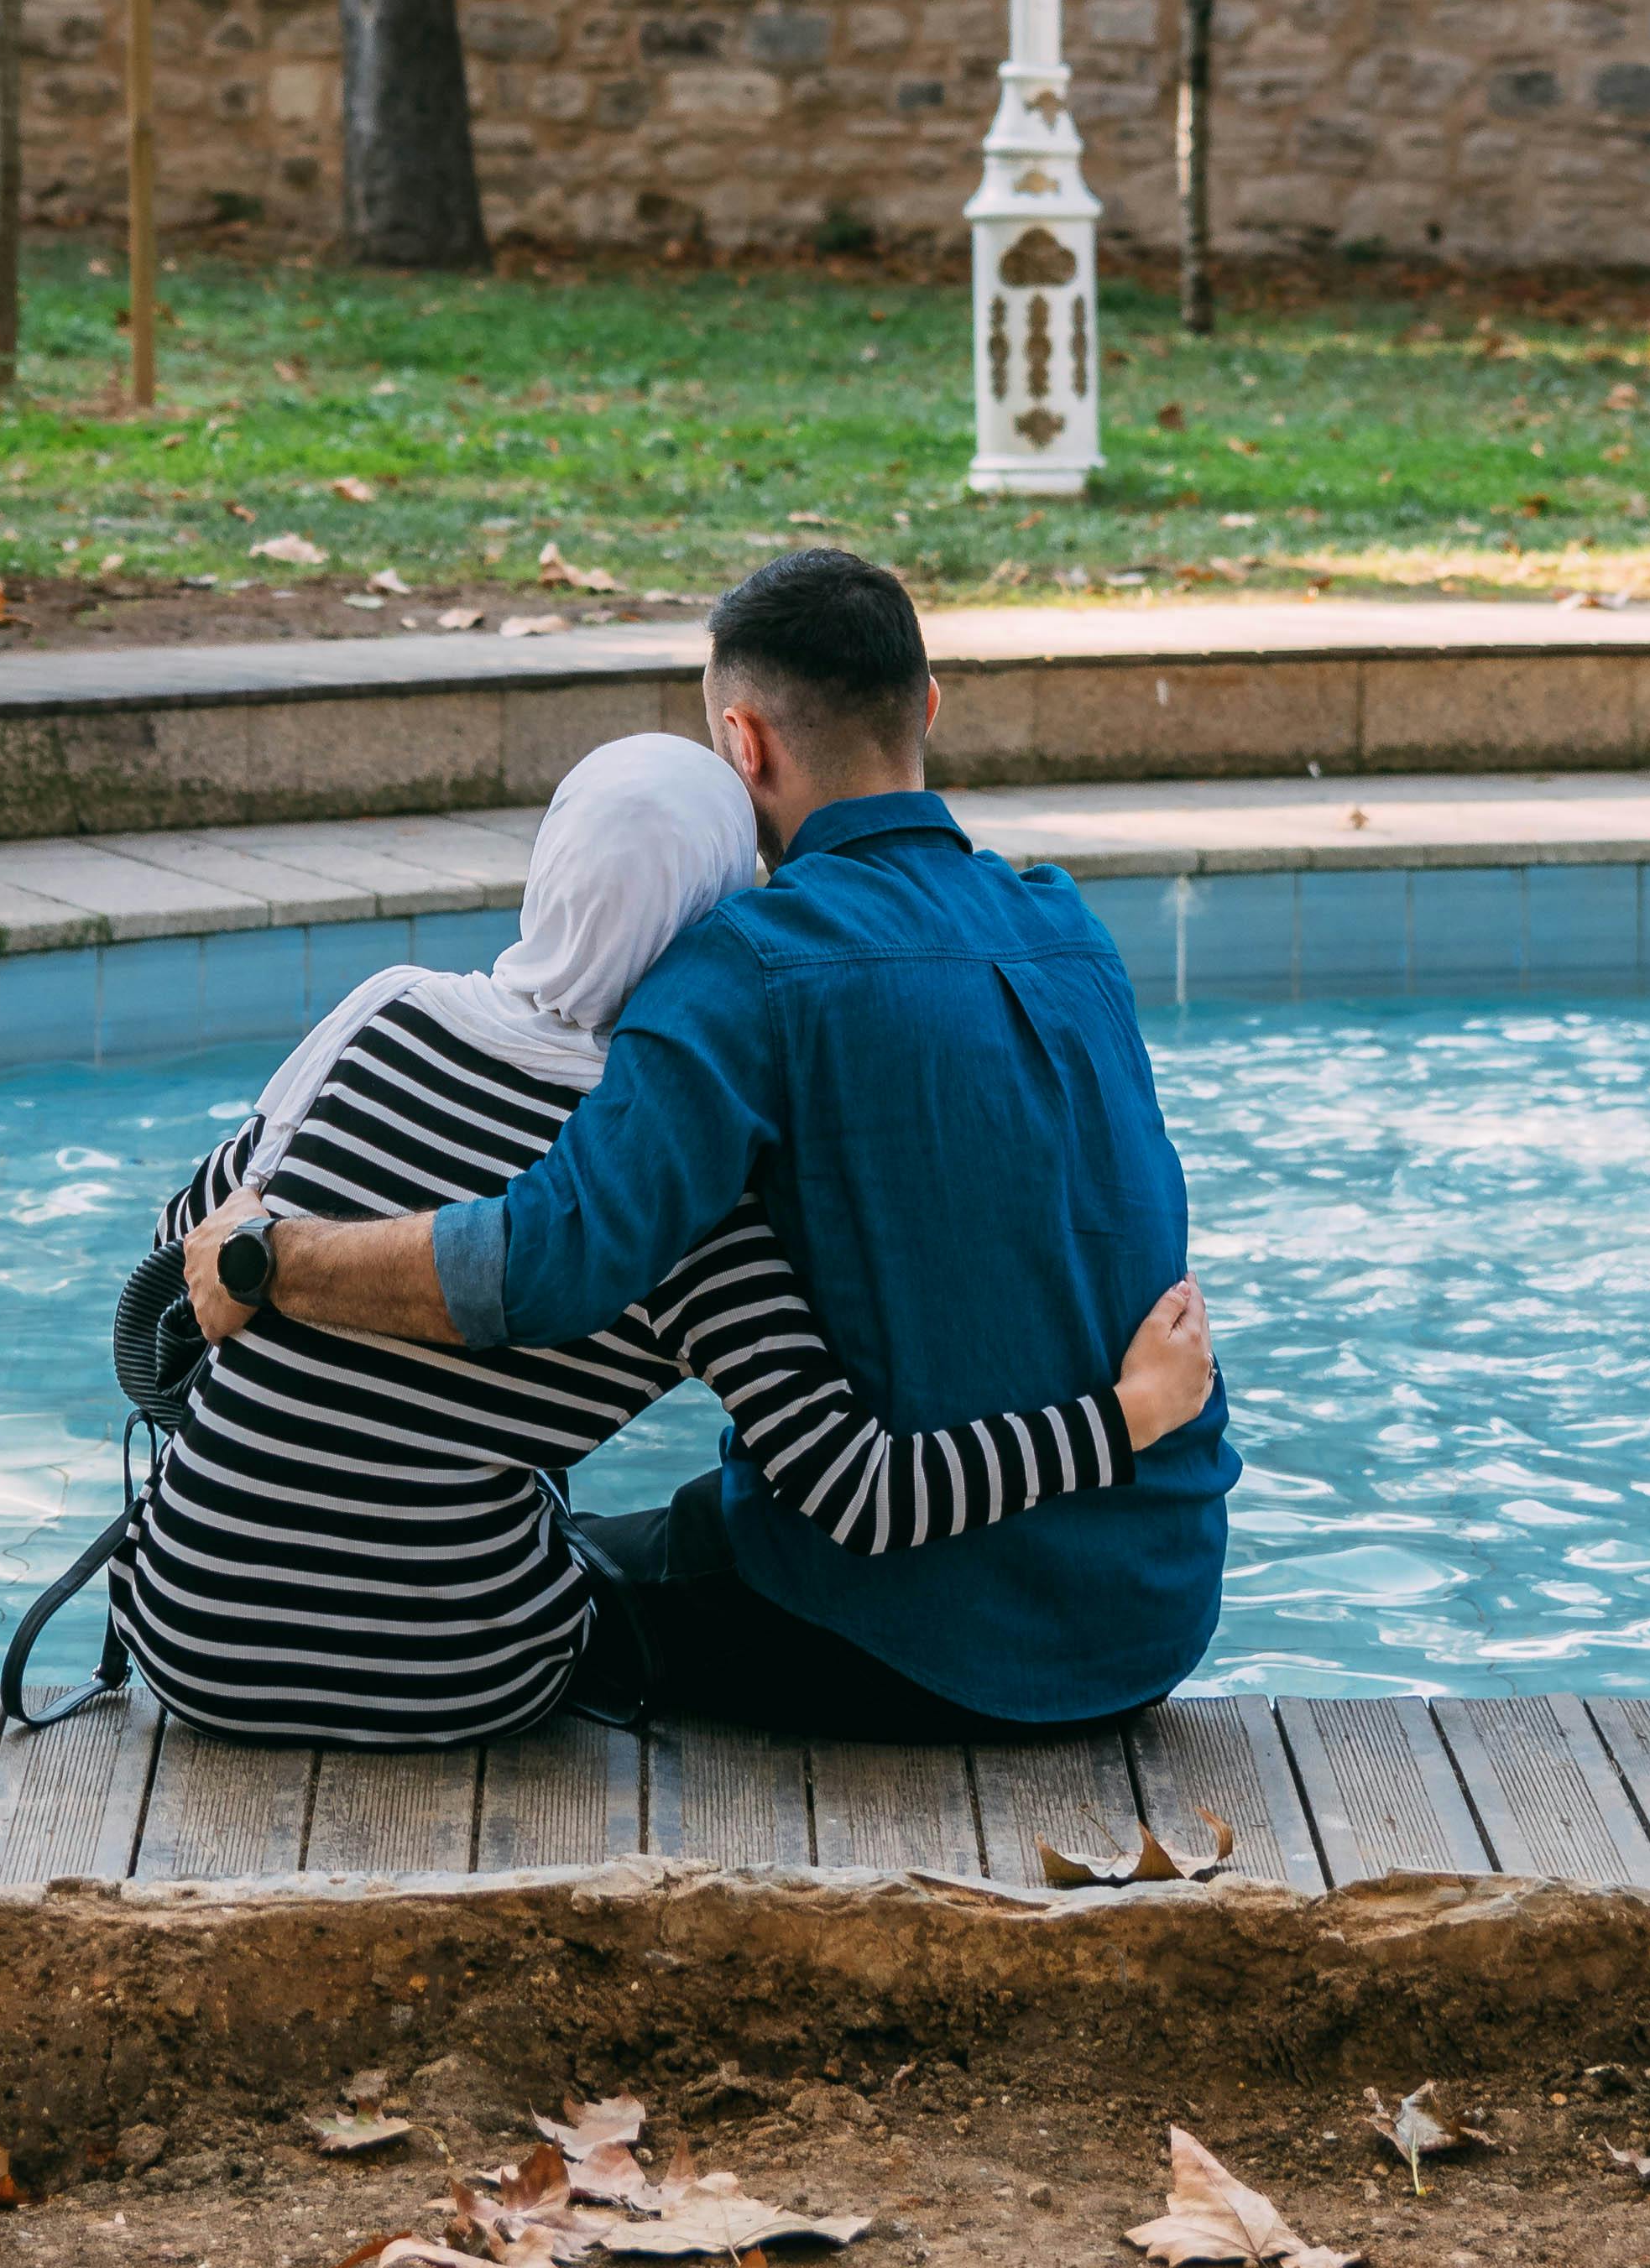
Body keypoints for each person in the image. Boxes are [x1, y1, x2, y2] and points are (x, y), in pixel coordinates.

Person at [188, 548, 1237, 1741]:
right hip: (1153, 1610)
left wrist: (267, 1257)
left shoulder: (741, 969)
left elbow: (548, 1263)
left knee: (573, 1571)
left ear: (744, 746)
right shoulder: (1070, 927)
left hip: (926, 1637)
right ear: (928, 707)